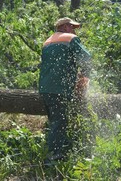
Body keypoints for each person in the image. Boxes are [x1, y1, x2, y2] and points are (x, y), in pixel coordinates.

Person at [39, 17, 91, 162]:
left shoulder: (47, 42)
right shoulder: (70, 38)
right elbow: (87, 58)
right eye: (72, 27)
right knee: (60, 122)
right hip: (59, 89)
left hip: (45, 88)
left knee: (54, 121)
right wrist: (84, 78)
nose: (74, 30)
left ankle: (52, 151)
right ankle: (54, 156)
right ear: (65, 26)